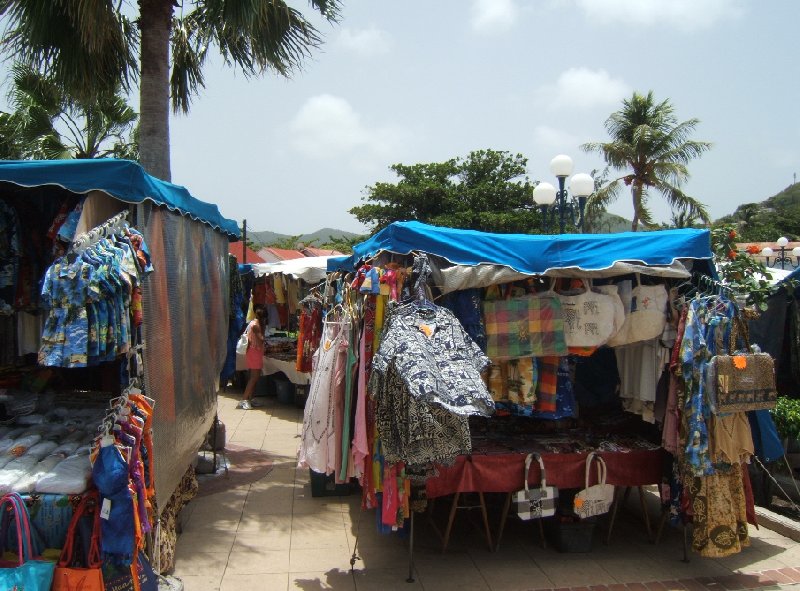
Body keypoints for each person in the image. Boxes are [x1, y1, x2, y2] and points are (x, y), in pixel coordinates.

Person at [238, 307, 266, 409]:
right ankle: (244, 399)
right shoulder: (256, 326)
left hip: (254, 352)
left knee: (255, 377)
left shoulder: (253, 322)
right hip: (254, 352)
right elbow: (261, 339)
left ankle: (250, 397)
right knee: (254, 377)